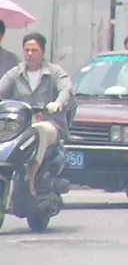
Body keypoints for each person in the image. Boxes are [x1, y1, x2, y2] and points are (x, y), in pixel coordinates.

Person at [0, 33, 74, 193]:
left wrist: (57, 103)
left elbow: (65, 90)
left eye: (34, 50)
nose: (30, 54)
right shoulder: (16, 72)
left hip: (50, 124)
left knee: (39, 130)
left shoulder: (55, 72)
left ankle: (31, 179)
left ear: (43, 52)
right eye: (27, 50)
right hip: (20, 124)